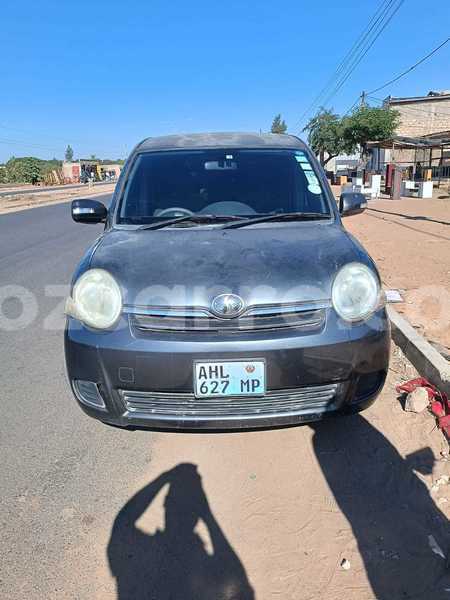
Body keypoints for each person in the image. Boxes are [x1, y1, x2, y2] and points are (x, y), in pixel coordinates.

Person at [108, 463, 254, 600]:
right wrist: (208, 516)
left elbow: (123, 523)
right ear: (198, 512)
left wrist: (165, 478)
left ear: (165, 504)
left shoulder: (145, 552)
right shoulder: (206, 571)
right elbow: (240, 585)